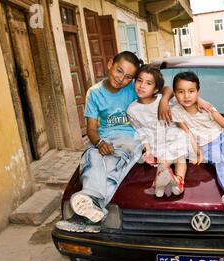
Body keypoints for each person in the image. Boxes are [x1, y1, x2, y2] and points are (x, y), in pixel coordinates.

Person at [56, 51, 172, 233]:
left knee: (112, 166)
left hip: (130, 139)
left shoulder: (134, 89)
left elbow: (164, 88)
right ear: (110, 64)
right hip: (104, 139)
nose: (121, 79)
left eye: (128, 77)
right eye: (119, 71)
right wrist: (99, 142)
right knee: (92, 158)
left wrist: (164, 100)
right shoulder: (94, 93)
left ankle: (85, 212)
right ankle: (94, 212)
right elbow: (91, 129)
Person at [170, 71, 224, 209]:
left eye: (191, 91)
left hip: (222, 137)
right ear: (175, 93)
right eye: (181, 92)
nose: (186, 96)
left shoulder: (207, 107)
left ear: (198, 92)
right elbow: (187, 132)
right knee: (220, 161)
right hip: (205, 144)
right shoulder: (176, 111)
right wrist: (197, 151)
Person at [127, 65, 188, 197]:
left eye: (148, 83)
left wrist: (164, 101)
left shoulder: (162, 100)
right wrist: (147, 149)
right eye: (139, 80)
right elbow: (141, 132)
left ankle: (179, 181)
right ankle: (162, 182)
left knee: (180, 157)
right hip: (156, 143)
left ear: (155, 89)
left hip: (175, 138)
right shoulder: (132, 110)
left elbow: (172, 92)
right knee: (163, 161)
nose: (142, 86)